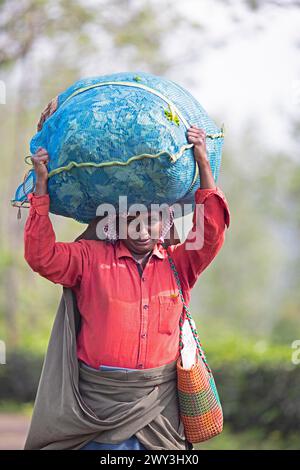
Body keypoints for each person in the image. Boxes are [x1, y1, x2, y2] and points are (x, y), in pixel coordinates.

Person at [23, 103, 230, 450]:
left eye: (152, 219)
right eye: (133, 218)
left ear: (165, 224)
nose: (143, 228)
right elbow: (41, 256)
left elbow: (211, 234)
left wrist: (203, 163)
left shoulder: (179, 264)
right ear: (116, 221)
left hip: (160, 411)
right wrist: (41, 186)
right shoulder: (90, 259)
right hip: (98, 410)